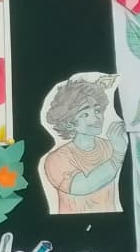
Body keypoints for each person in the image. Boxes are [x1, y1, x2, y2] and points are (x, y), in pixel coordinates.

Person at [40, 76, 127, 214]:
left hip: (110, 222)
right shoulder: (56, 159)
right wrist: (118, 155)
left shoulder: (111, 146)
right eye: (85, 114)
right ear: (69, 123)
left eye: (97, 110)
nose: (96, 117)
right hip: (70, 224)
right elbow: (82, 186)